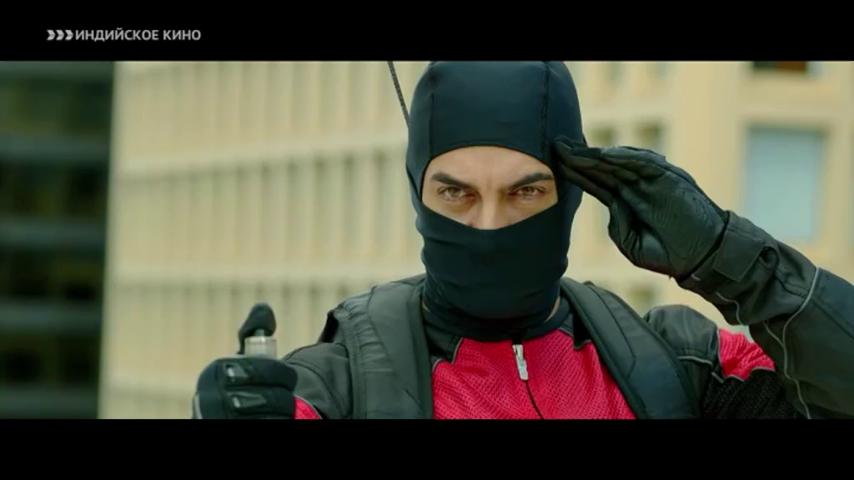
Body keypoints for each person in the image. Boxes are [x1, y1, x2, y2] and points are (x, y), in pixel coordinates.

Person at [193, 61, 854, 419]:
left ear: (571, 193)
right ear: (418, 195)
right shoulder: (336, 390)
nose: (488, 225)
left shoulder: (682, 364)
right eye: (456, 193)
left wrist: (732, 261)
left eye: (525, 192)